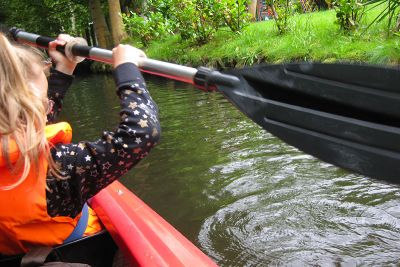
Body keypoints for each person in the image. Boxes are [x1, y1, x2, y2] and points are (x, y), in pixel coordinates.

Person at [0, 32, 161, 255]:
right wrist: (127, 70)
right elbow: (140, 134)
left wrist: (65, 68)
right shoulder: (60, 168)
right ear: (26, 109)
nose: (49, 108)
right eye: (46, 104)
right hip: (81, 249)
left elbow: (27, 126)